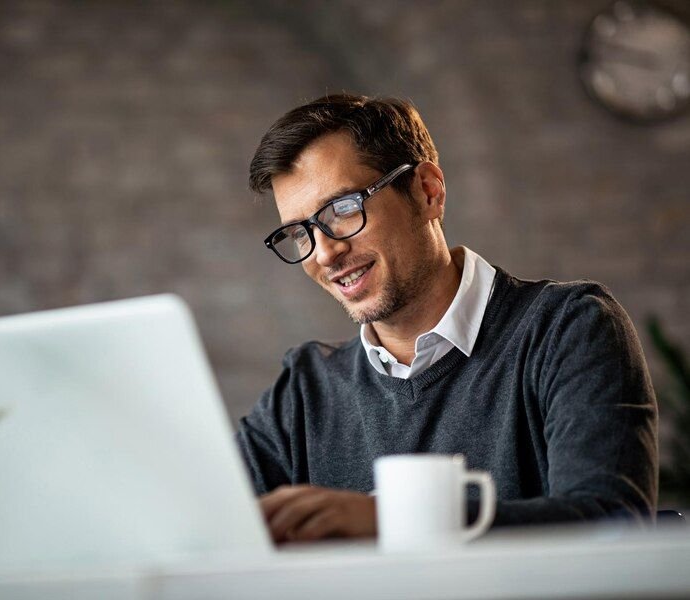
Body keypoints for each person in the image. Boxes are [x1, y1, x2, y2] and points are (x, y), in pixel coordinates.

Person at [237, 94, 658, 544]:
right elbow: (205, 531)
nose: (325, 253)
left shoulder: (569, 329)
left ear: (427, 191)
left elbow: (612, 522)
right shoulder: (303, 392)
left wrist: (391, 521)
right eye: (299, 232)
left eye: (342, 209)